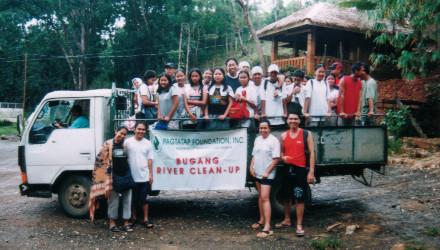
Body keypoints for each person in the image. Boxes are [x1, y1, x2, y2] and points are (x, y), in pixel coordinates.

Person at [89, 125, 133, 232]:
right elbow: (100, 162)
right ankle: (112, 222)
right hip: (113, 177)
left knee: (127, 200)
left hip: (126, 175)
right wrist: (106, 178)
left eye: (124, 135)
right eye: (121, 133)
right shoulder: (107, 145)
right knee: (114, 200)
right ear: (116, 131)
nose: (122, 136)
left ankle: (126, 222)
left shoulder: (124, 146)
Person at [278, 112, 315, 237]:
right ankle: (287, 220)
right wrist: (284, 158)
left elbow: (312, 153)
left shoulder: (306, 134)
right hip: (287, 169)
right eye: (290, 119)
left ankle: (299, 225)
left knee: (299, 197)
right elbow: (281, 153)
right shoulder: (283, 135)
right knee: (286, 197)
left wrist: (311, 172)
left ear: (299, 120)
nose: (293, 121)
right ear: (287, 120)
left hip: (300, 169)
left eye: (295, 119)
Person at [249, 119, 280, 238]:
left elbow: (276, 158)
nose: (263, 130)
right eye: (261, 128)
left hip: (267, 174)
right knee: (260, 196)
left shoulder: (273, 140)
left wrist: (267, 172)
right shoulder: (257, 139)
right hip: (257, 173)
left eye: (265, 128)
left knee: (265, 198)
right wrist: (251, 167)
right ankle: (261, 220)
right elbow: (254, 155)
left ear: (269, 128)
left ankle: (267, 227)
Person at [125, 122, 154, 228]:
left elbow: (150, 160)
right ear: (134, 130)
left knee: (145, 199)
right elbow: (125, 157)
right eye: (139, 129)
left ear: (145, 131)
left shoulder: (148, 143)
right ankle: (133, 217)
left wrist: (151, 174)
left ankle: (146, 218)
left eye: (143, 129)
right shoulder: (128, 142)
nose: (141, 131)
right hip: (132, 176)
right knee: (133, 199)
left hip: (144, 176)